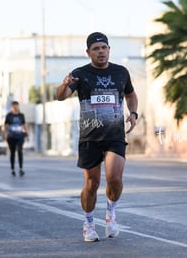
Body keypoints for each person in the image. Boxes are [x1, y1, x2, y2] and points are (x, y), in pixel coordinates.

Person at [56, 32, 138, 242]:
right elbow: (60, 97)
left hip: (114, 135)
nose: (100, 51)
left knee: (115, 178)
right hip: (90, 137)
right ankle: (89, 223)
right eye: (96, 48)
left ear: (109, 49)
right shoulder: (80, 74)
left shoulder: (121, 72)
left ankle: (111, 213)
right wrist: (64, 85)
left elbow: (130, 94)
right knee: (92, 184)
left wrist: (133, 113)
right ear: (88, 52)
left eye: (104, 47)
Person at [4, 101, 28, 177]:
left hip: (20, 136)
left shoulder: (21, 115)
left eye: (16, 106)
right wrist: (5, 135)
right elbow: (5, 126)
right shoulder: (9, 115)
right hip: (11, 137)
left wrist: (27, 133)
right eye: (14, 106)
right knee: (12, 153)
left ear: (18, 106)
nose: (15, 107)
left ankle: (21, 168)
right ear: (12, 107)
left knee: (20, 151)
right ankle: (12, 169)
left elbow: (24, 125)